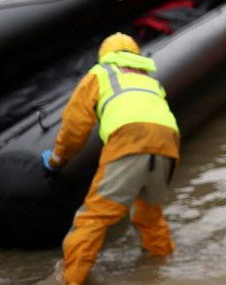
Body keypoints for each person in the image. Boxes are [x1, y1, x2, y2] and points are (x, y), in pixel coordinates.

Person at [41, 33, 180, 285]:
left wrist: (57, 160)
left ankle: (70, 280)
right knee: (149, 214)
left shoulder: (100, 73)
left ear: (104, 54)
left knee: (92, 218)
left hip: (130, 140)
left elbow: (75, 126)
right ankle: (160, 269)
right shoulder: (150, 81)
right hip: (168, 144)